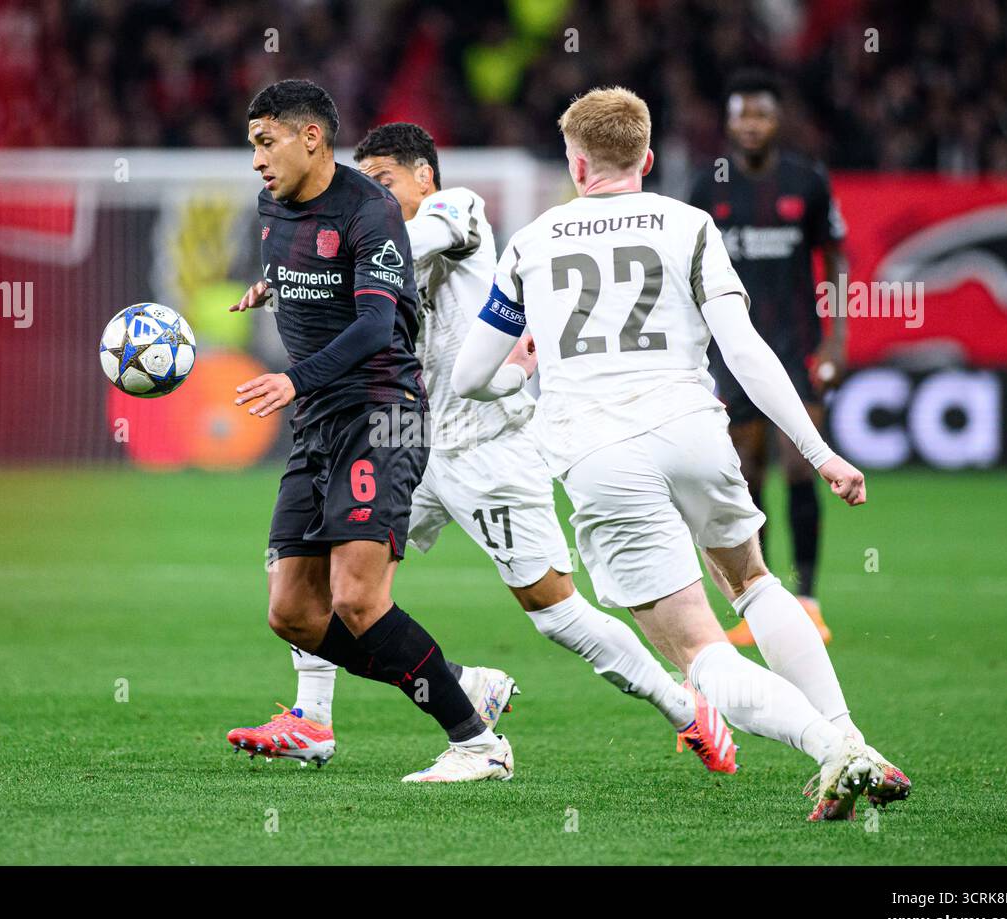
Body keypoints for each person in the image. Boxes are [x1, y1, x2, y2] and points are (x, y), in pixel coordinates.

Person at [451, 87, 910, 819]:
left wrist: (526, 370)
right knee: (756, 582)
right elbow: (746, 350)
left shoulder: (531, 243)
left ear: (575, 163)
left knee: (700, 652)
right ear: (649, 158)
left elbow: (469, 377)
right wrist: (820, 451)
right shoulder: (689, 223)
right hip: (696, 429)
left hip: (601, 454)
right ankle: (856, 741)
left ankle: (835, 750)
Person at [228, 121, 737, 776]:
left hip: (483, 445)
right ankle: (314, 719)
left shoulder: (455, 210)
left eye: (384, 183)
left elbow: (405, 244)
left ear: (424, 178)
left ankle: (685, 706)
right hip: (398, 437)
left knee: (554, 613)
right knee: (330, 579)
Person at [228, 79, 511, 783]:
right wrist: (273, 285)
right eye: (253, 145)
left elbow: (377, 323)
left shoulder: (371, 208)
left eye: (267, 142)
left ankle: (477, 743)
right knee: (293, 612)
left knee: (357, 599)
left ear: (311, 138)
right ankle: (457, 681)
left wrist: (294, 378)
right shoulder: (272, 208)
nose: (258, 160)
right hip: (318, 422)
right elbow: (307, 267)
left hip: (378, 412)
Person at [688, 69, 851, 644]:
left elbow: (835, 255)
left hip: (795, 345)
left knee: (801, 462)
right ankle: (764, 601)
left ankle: (808, 598)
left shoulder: (806, 180)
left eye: (760, 114)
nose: (750, 125)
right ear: (728, 122)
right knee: (745, 469)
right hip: (730, 352)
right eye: (741, 115)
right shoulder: (707, 186)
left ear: (776, 119)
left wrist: (836, 341)